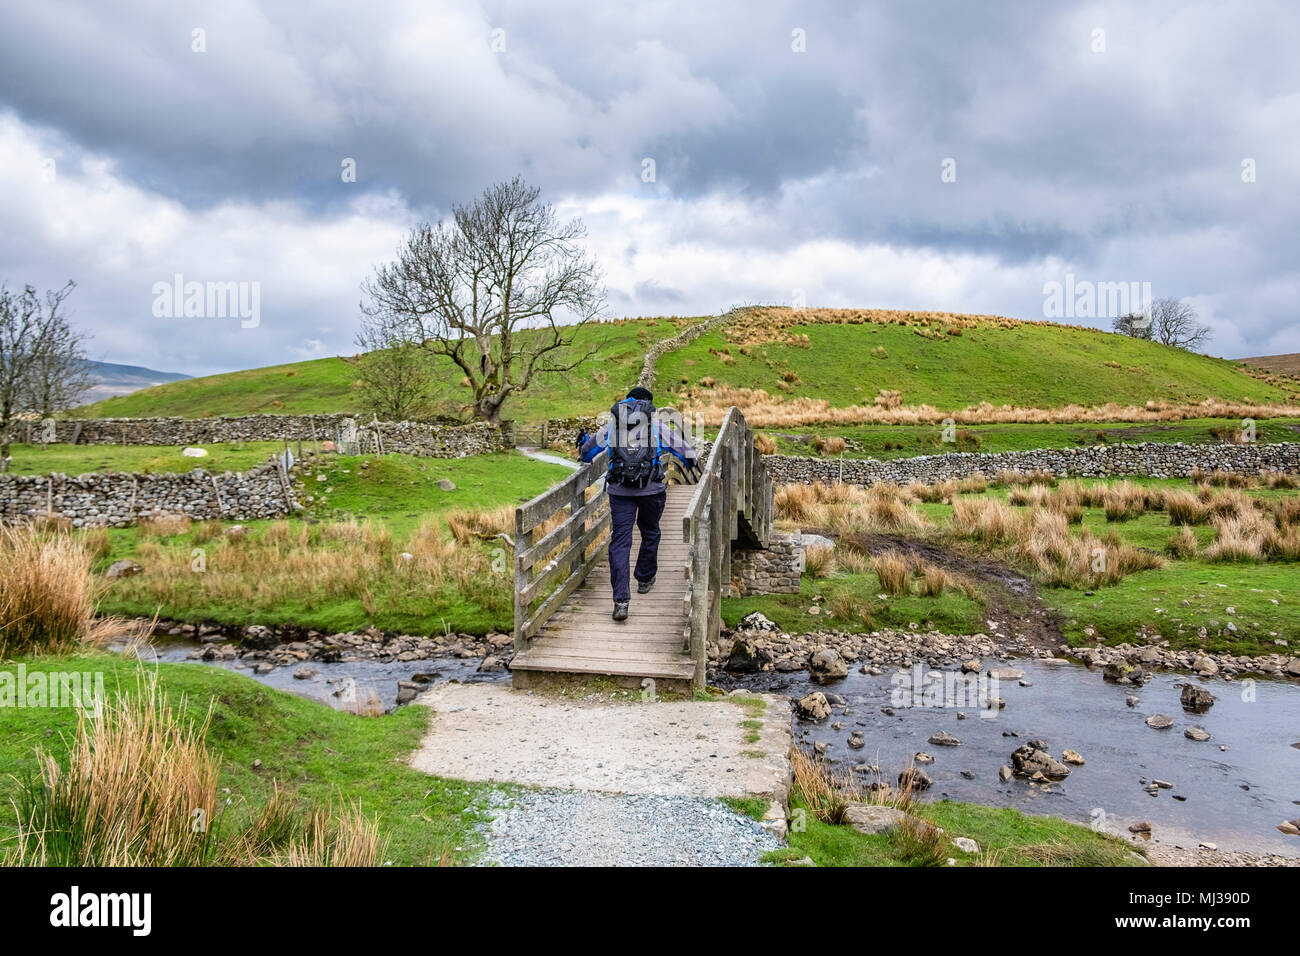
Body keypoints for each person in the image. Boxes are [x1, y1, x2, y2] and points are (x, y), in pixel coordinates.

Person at [577, 387, 698, 621]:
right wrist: (691, 462)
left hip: (620, 490)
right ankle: (644, 577)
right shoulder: (655, 425)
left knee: (621, 541)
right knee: (650, 532)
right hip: (651, 489)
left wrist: (583, 454)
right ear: (648, 404)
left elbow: (590, 448)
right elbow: (683, 449)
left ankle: (621, 601)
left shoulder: (614, 424)